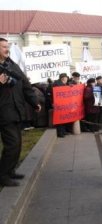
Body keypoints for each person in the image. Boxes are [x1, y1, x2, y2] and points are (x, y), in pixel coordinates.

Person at [0, 37, 41, 187]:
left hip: (17, 110)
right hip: (4, 113)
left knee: (17, 144)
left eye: (7, 46)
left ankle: (10, 171)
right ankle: (3, 175)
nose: (7, 49)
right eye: (3, 47)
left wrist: (34, 102)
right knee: (12, 144)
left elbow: (25, 84)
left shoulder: (12, 65)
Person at [52, 73, 69, 137]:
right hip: (58, 104)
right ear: (63, 78)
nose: (67, 79)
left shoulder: (63, 84)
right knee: (60, 119)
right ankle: (60, 133)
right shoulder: (56, 85)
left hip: (62, 104)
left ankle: (63, 131)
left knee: (63, 118)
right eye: (66, 78)